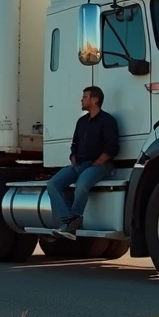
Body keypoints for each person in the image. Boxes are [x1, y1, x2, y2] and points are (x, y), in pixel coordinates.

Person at [45, 86, 119, 239]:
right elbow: (74, 144)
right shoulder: (81, 121)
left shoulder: (108, 120)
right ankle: (70, 220)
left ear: (95, 99)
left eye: (85, 97)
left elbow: (112, 146)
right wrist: (73, 156)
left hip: (99, 165)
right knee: (53, 183)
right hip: (78, 165)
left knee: (82, 184)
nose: (81, 100)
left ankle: (74, 219)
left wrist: (99, 161)